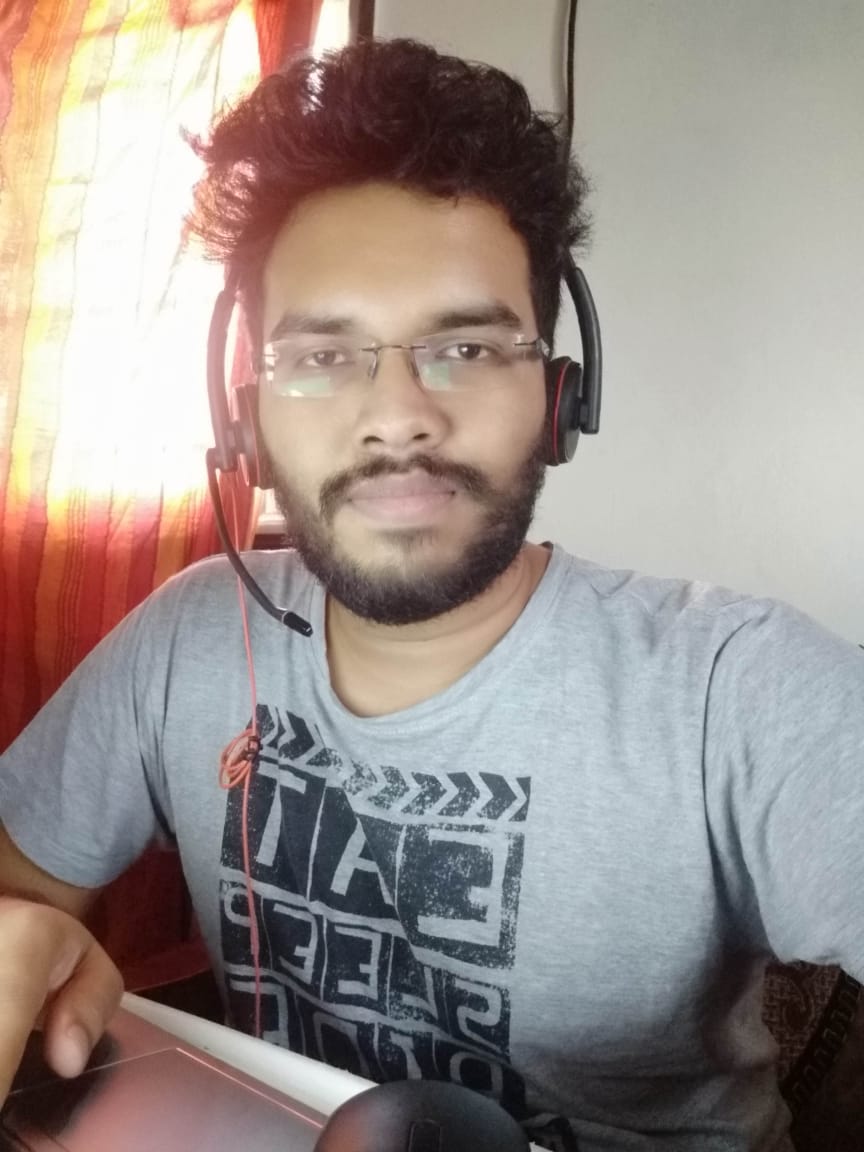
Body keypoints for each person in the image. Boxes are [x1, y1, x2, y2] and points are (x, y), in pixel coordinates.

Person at [0, 36, 862, 1152]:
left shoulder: (738, 688)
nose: (398, 416)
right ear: (243, 417)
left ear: (561, 396)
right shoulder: (188, 636)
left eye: (465, 345)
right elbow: (18, 887)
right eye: (322, 356)